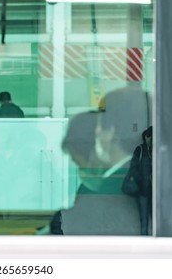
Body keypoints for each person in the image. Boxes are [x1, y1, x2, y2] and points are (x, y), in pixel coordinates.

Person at [62, 87, 150, 235]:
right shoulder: (146, 178)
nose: (96, 131)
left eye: (100, 124)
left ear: (110, 131)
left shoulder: (109, 190)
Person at [129, 126, 153, 235]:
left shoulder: (157, 150)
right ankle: (145, 241)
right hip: (143, 190)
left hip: (155, 191)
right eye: (152, 137)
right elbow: (133, 168)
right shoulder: (140, 149)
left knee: (157, 218)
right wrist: (142, 180)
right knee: (144, 219)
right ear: (147, 137)